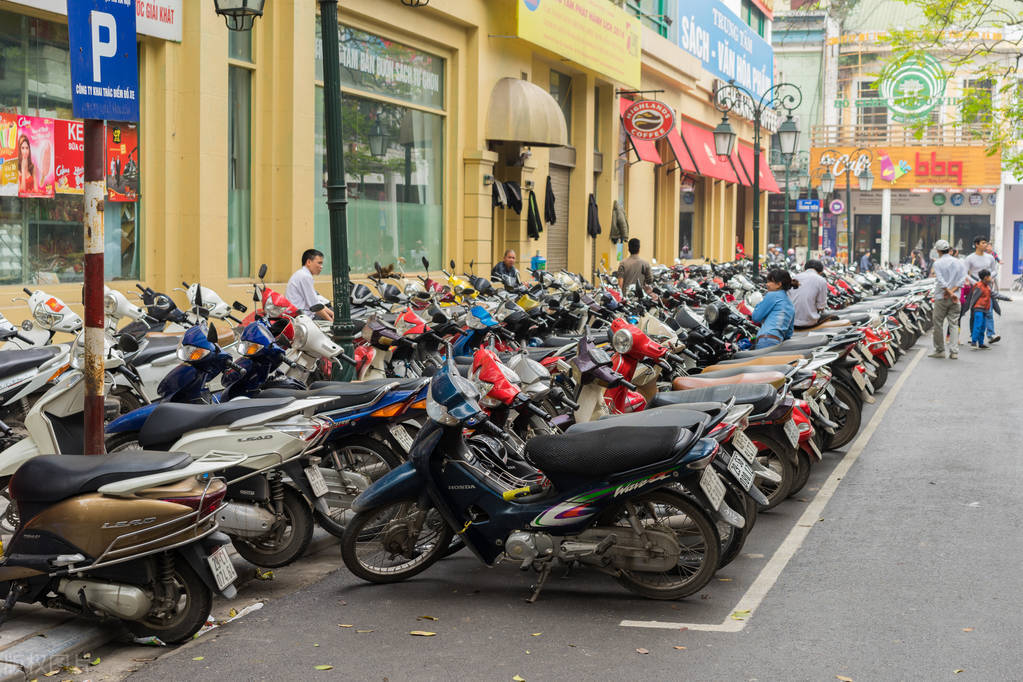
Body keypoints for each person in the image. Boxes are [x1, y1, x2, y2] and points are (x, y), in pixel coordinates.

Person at [928, 239, 966, 359]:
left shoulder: (937, 263)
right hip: (955, 298)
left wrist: (948, 292)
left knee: (938, 324)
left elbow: (940, 280)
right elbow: (962, 280)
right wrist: (953, 293)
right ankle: (954, 352)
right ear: (949, 249)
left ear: (938, 250)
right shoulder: (959, 262)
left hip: (941, 297)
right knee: (953, 324)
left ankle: (940, 350)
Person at [964, 236, 999, 343]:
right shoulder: (970, 258)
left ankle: (990, 335)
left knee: (989, 310)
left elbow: (995, 270)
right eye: (983, 243)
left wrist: (989, 278)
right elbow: (964, 273)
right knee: (974, 312)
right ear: (976, 244)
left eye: (986, 243)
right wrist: (975, 282)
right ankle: (973, 335)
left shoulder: (990, 258)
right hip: (974, 289)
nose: (986, 245)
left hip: (987, 287)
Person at [751, 269, 798, 349]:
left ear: (779, 284)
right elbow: (788, 333)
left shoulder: (772, 295)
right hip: (777, 342)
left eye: (769, 282)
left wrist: (758, 303)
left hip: (765, 340)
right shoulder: (790, 304)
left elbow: (756, 318)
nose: (767, 284)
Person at [286, 248, 334, 321]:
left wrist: (332, 314)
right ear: (308, 262)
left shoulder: (301, 274)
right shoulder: (305, 276)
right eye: (319, 263)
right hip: (305, 318)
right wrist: (332, 321)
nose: (321, 267)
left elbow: (316, 302)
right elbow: (315, 306)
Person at [790, 259, 835, 328]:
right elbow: (821, 307)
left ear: (805, 268)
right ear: (820, 271)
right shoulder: (821, 280)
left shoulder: (795, 277)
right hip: (809, 322)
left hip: (791, 321)